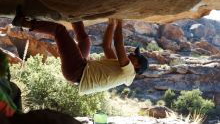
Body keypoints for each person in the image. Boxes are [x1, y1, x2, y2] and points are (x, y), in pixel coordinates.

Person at [12, 10, 148, 95]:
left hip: (76, 71)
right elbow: (107, 46)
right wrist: (111, 25)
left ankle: (22, 22)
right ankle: (73, 13)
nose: (133, 54)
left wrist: (119, 21)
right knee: (85, 40)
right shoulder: (119, 67)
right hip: (80, 68)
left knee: (59, 30)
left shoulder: (129, 72)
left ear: (137, 67)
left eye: (136, 57)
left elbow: (119, 45)